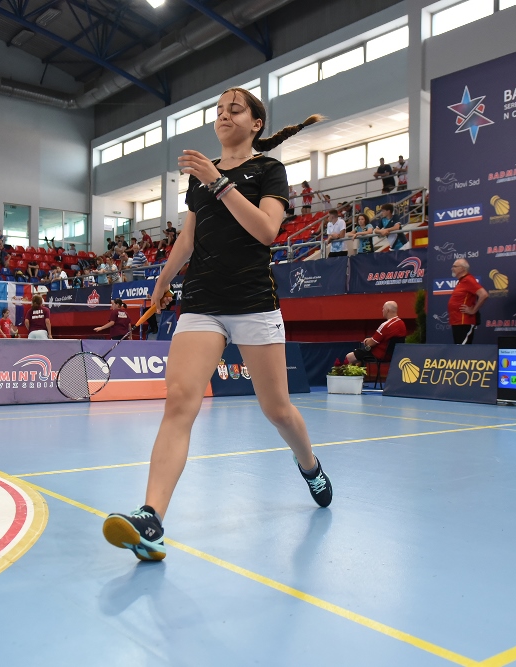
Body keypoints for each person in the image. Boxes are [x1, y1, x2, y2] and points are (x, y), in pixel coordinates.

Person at [102, 86, 331, 562]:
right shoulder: (200, 178)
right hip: (202, 302)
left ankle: (309, 464)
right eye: (219, 111)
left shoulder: (269, 170)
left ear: (256, 124)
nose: (224, 115)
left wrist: (219, 182)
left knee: (277, 410)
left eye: (235, 110)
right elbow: (188, 238)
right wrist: (162, 281)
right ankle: (151, 519)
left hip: (252, 301)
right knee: (179, 402)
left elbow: (266, 230)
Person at [345, 301, 406, 366]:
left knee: (349, 357)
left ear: (387, 310)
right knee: (359, 361)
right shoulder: (402, 324)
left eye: (383, 309)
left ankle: (351, 372)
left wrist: (366, 341)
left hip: (379, 355)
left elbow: (371, 343)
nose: (382, 311)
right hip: (393, 356)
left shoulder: (386, 325)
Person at [448, 259, 488, 345]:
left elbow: (484, 294)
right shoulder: (462, 281)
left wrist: (473, 310)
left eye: (454, 266)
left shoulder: (468, 280)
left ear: (462, 268)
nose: (452, 268)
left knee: (462, 349)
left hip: (464, 322)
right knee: (458, 348)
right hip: (457, 322)